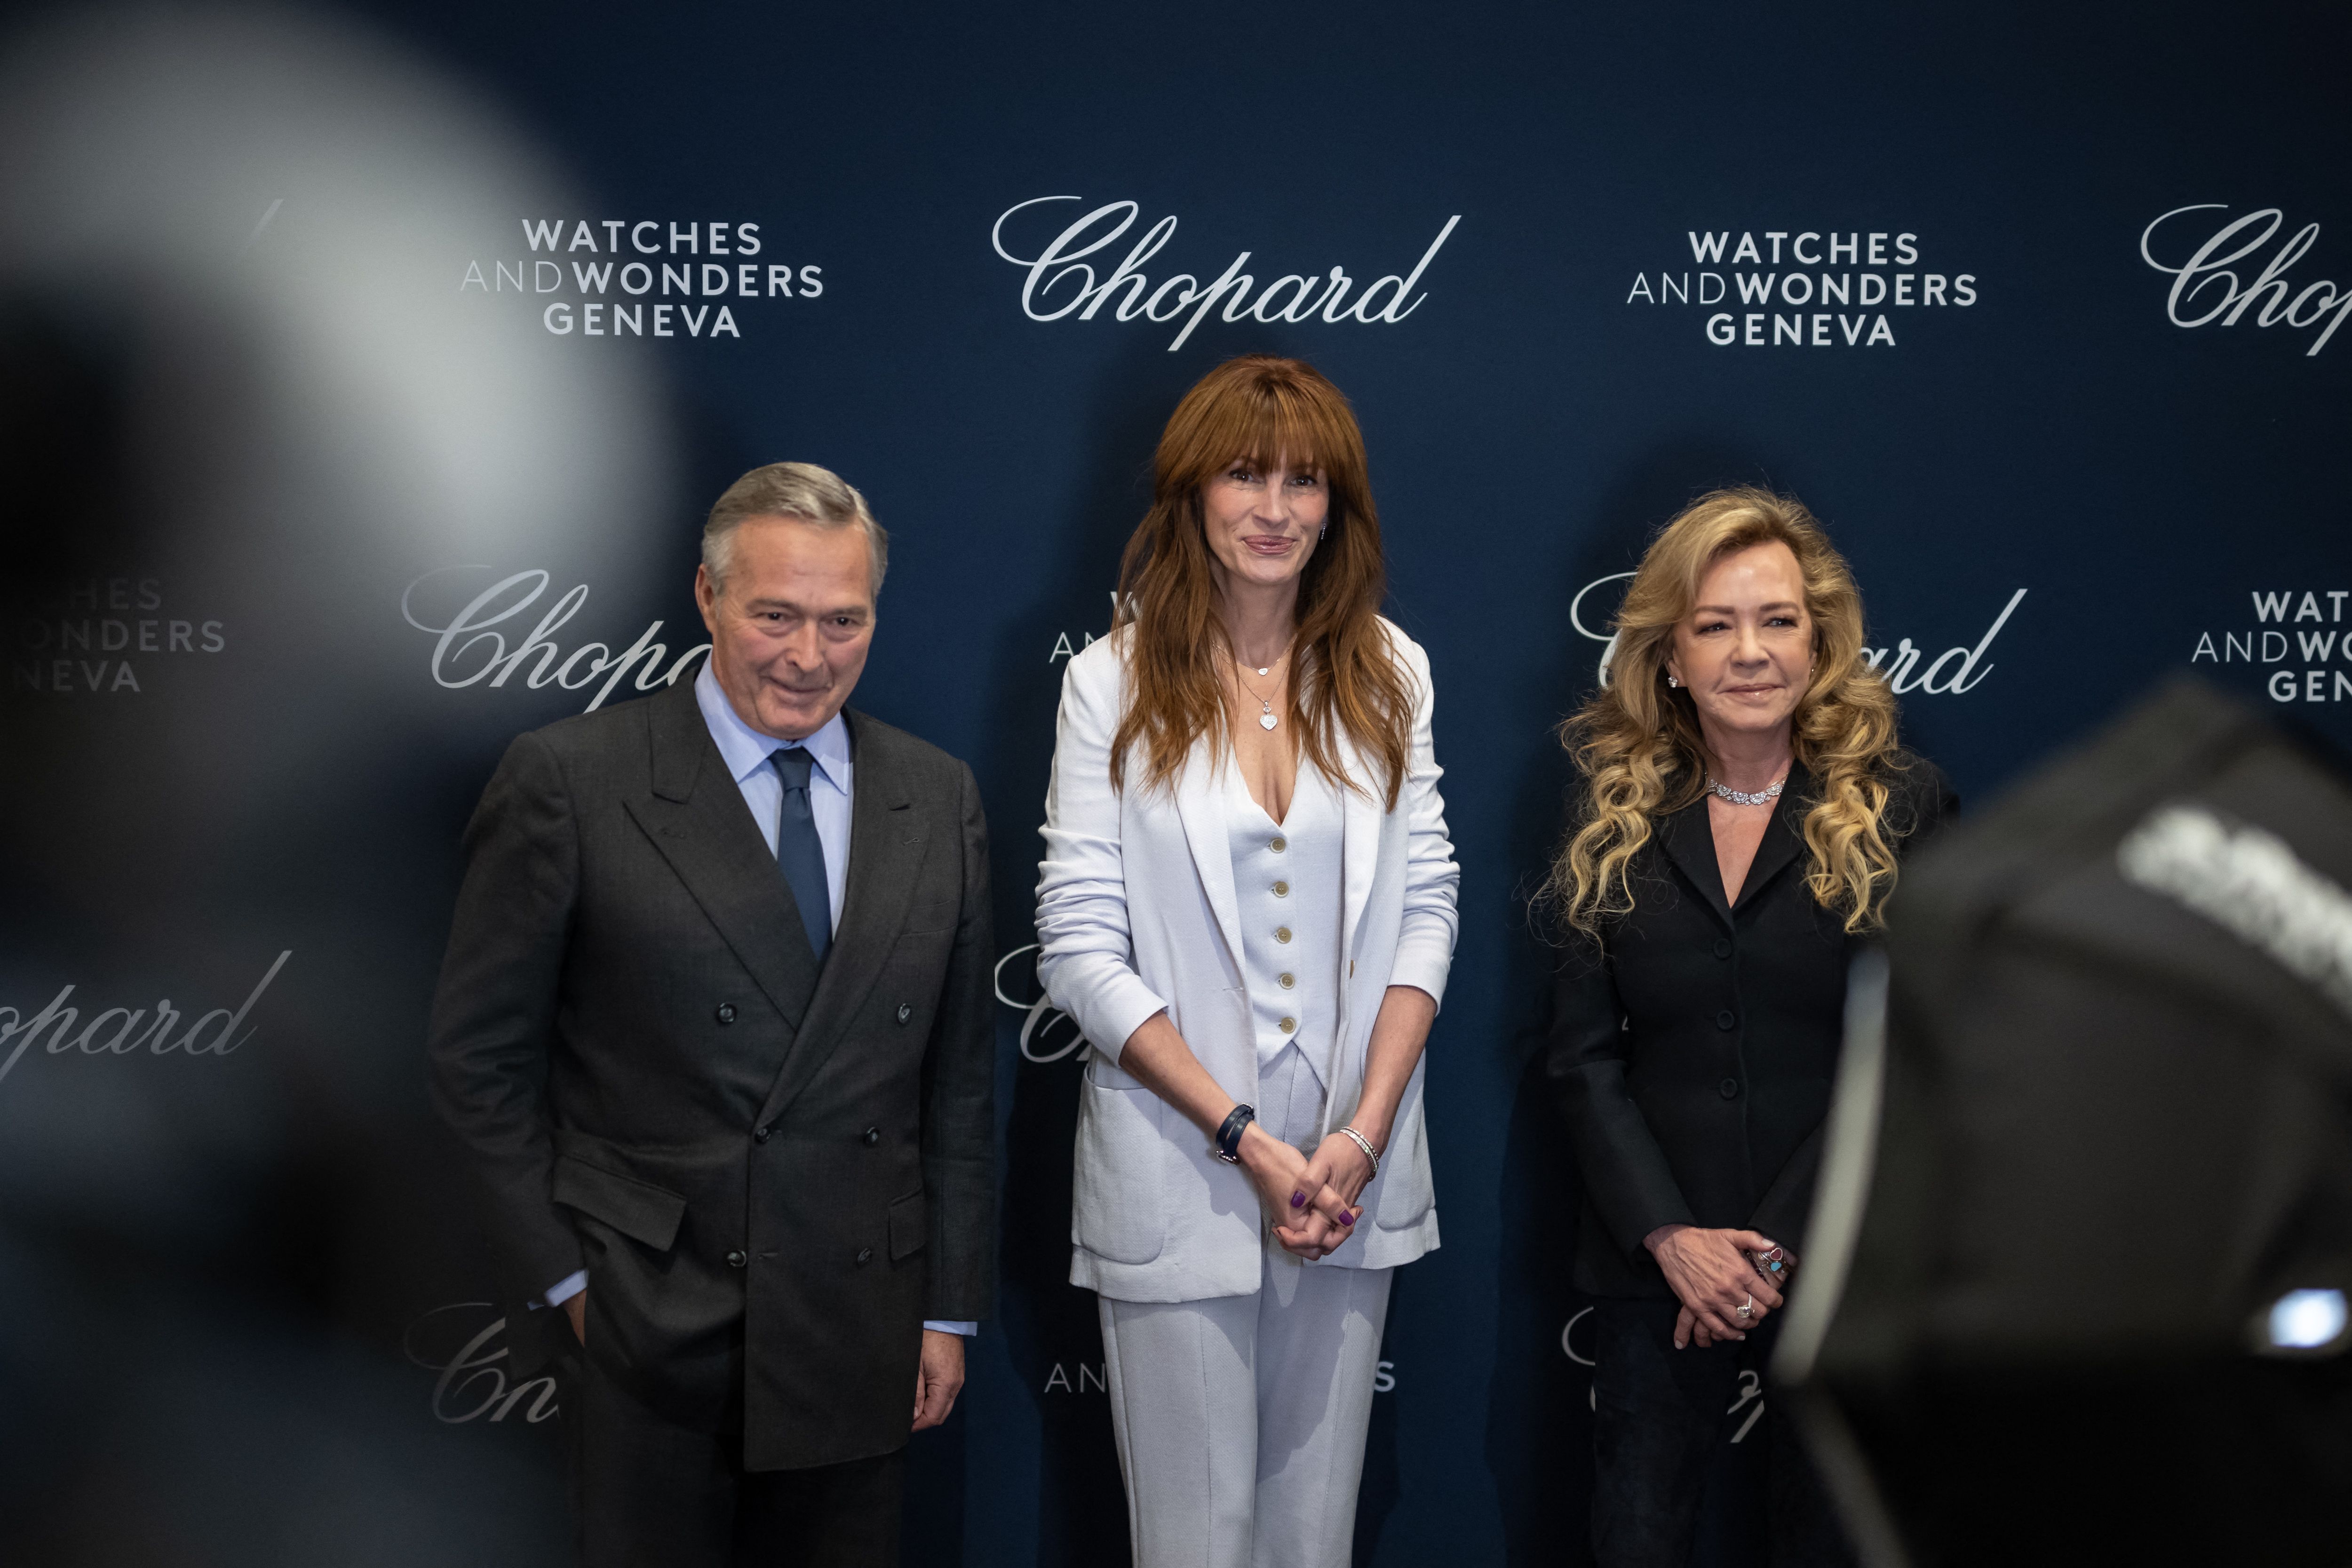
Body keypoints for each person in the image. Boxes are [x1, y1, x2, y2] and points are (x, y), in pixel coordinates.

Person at [427, 463, 996, 1568]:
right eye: (774, 614)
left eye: (844, 620)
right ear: (707, 597)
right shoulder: (571, 781)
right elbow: (476, 1064)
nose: (808, 654)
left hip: (859, 1323)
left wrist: (946, 1307)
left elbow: (958, 1080)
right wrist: (572, 1281)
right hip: (650, 1327)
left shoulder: (936, 796)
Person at [1035, 356, 1459, 1568]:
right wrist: (1242, 1137)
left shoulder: (1394, 668)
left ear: (1339, 505)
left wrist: (1362, 1132)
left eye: (1306, 479)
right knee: (1190, 1543)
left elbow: (1428, 900)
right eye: (1244, 472)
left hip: (1347, 1166)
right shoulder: (1106, 680)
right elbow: (1076, 940)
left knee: (1312, 1540)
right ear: (1191, 494)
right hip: (1183, 1156)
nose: (1276, 506)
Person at [1542, 488, 1955, 1568]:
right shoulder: (1610, 812)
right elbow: (1584, 1061)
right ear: (1669, 654)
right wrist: (1675, 1240)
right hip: (1656, 1268)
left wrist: (1773, 1245)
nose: (1750, 651)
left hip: (1839, 1263)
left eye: (1776, 619)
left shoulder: (1903, 805)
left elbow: (1907, 1052)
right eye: (1715, 623)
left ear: (1818, 640)